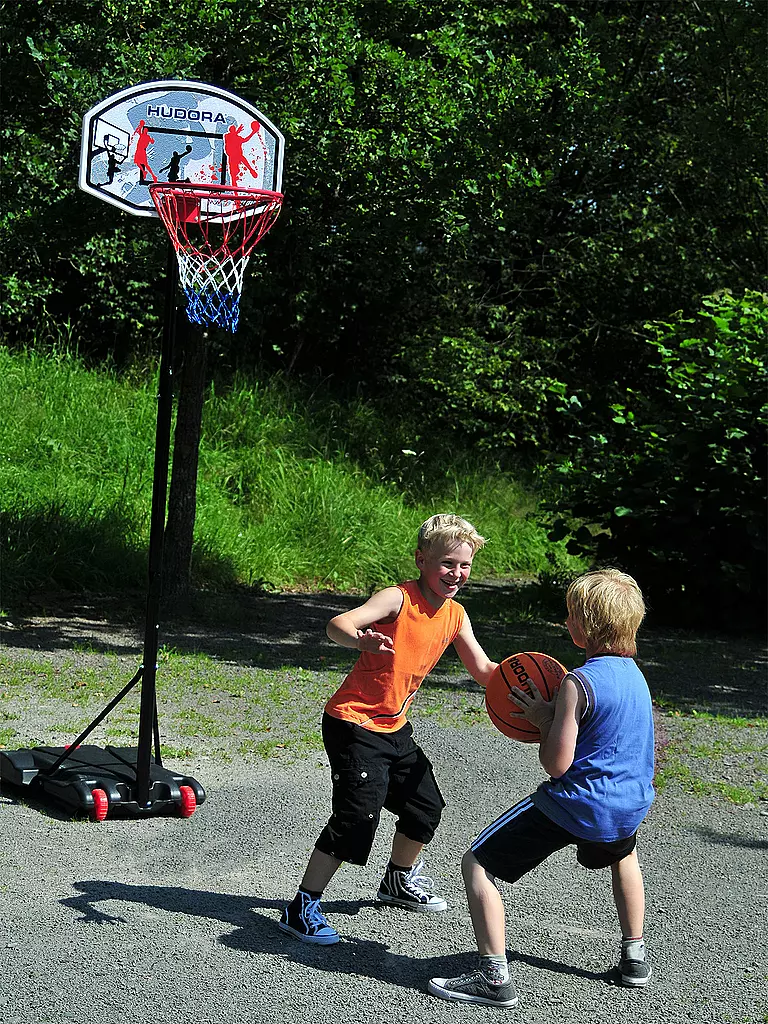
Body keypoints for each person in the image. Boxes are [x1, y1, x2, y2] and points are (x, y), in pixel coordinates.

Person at [429, 568, 655, 1008]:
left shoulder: (578, 683)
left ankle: (494, 978)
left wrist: (543, 720)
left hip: (577, 804)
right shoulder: (636, 677)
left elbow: (557, 763)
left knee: (477, 863)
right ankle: (635, 957)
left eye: (570, 614)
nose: (566, 621)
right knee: (624, 855)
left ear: (585, 626)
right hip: (629, 805)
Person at [279, 513, 498, 945]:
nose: (456, 574)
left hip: (393, 726)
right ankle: (301, 907)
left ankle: (397, 880)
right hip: (353, 723)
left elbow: (486, 670)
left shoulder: (455, 615)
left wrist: (537, 689)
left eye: (465, 565)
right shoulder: (397, 599)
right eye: (446, 564)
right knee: (358, 814)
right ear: (421, 560)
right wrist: (360, 640)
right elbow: (338, 624)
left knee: (425, 804)